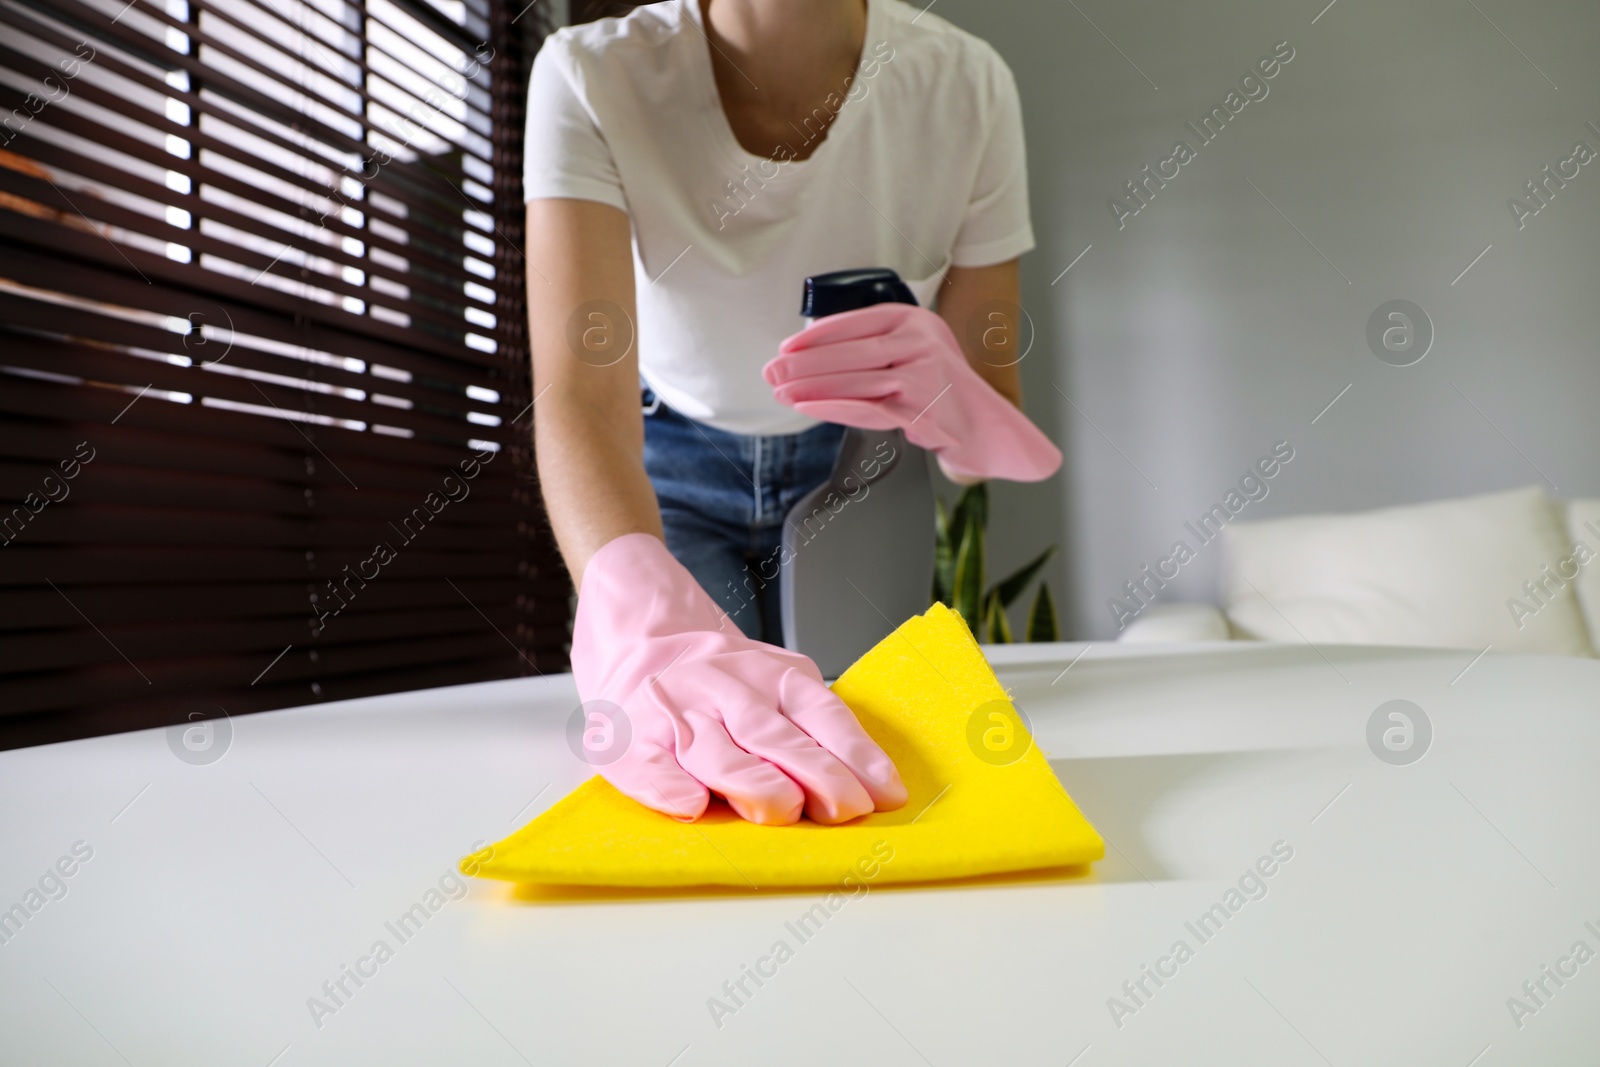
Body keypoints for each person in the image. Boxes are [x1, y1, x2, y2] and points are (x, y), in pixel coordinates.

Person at [523, 0, 1060, 825]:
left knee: (877, 768)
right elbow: (582, 399)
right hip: (664, 476)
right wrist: (633, 603)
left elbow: (991, 433)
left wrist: (953, 399)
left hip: (858, 473)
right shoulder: (592, 73)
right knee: (719, 779)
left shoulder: (967, 85)